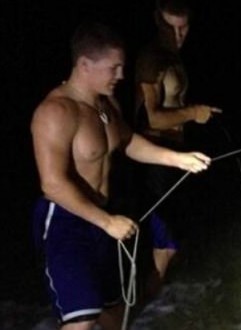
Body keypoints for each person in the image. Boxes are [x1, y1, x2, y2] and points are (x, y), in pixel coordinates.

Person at [30, 21, 211, 330]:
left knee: (115, 317)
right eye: (113, 68)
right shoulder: (56, 112)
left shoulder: (105, 103)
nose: (122, 76)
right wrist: (107, 222)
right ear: (85, 65)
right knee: (83, 320)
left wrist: (176, 159)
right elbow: (53, 184)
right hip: (66, 222)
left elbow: (126, 141)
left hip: (103, 217)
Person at [134, 0, 221, 299]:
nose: (178, 35)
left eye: (183, 27)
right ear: (158, 21)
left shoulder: (173, 57)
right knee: (166, 245)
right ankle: (139, 313)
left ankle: (168, 308)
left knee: (178, 242)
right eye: (171, 27)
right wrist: (194, 112)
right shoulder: (151, 59)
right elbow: (152, 117)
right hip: (155, 158)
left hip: (175, 156)